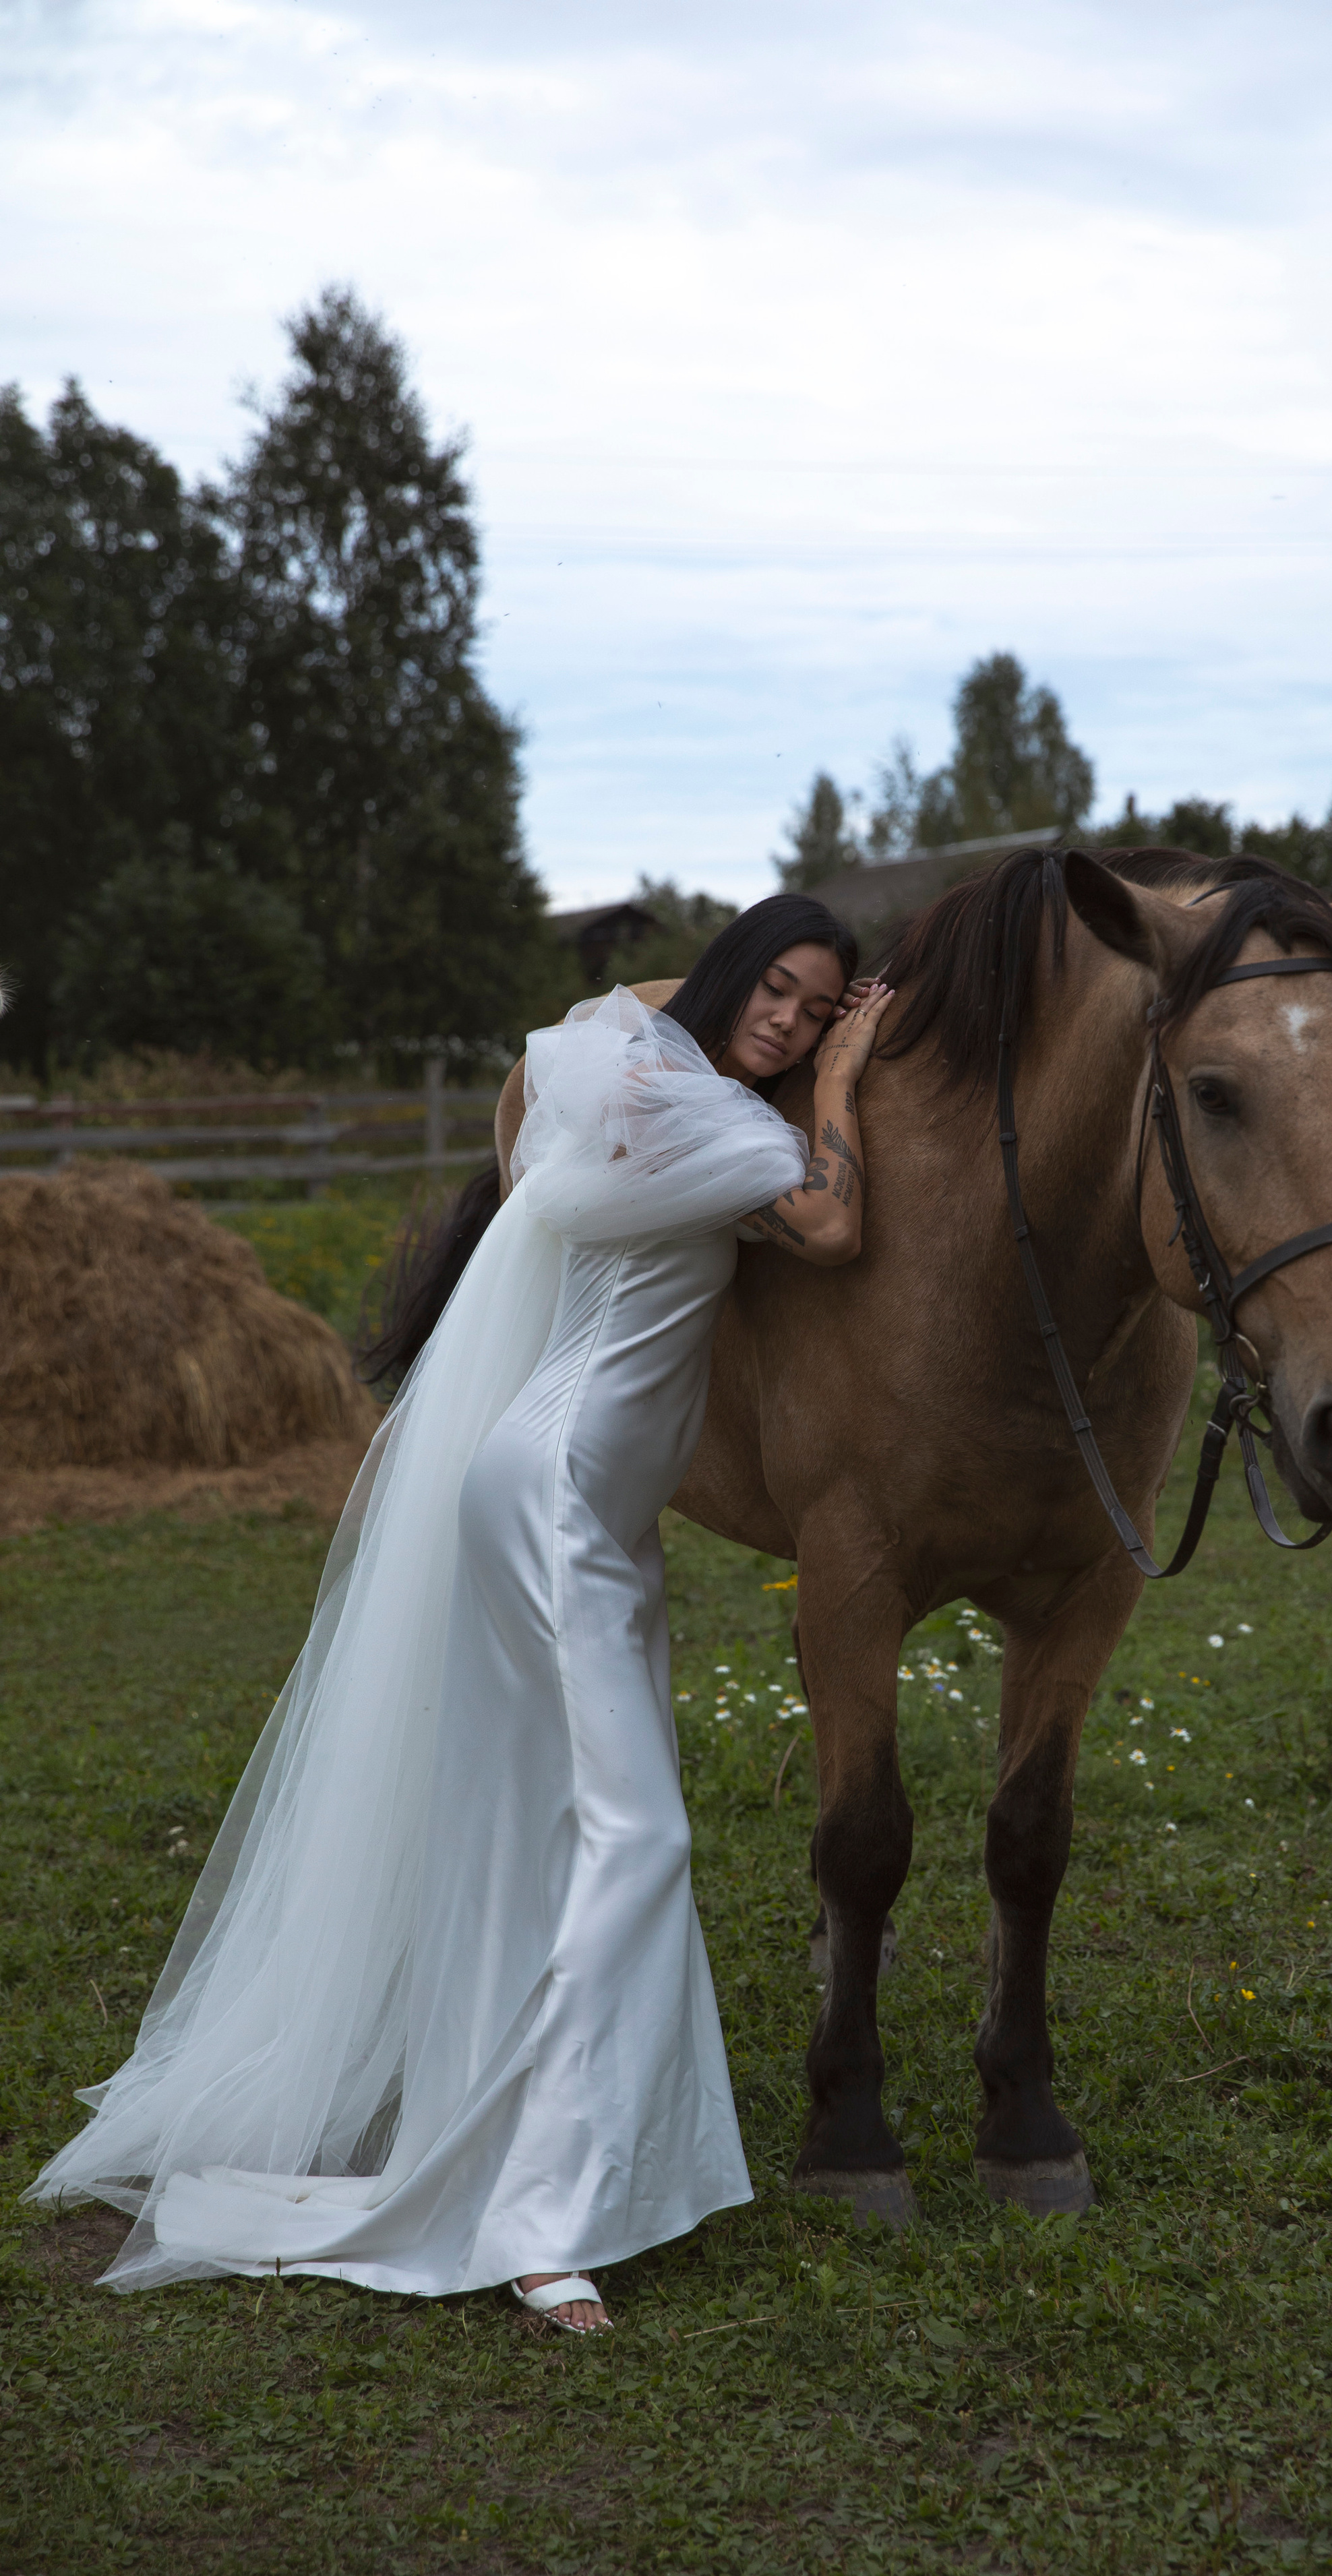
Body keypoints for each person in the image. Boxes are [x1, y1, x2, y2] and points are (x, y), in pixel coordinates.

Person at [26, 894, 892, 2337]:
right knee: (638, 1834)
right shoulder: (726, 1134)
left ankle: (540, 2160)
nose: (794, 1024)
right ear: (736, 974)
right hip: (554, 1500)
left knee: (534, 1828)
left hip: (583, 1512)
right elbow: (838, 1221)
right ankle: (539, 2226)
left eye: (818, 1013)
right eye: (782, 994)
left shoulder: (627, 1075)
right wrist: (849, 1083)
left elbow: (616, 1062)